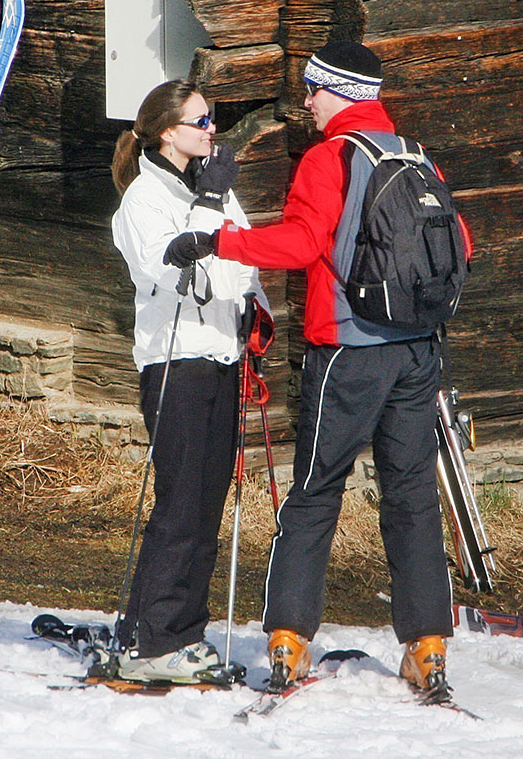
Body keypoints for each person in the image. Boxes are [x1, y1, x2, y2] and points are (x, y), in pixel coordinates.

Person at [164, 42, 472, 696]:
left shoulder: (329, 158)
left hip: (349, 351)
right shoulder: (416, 155)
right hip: (419, 351)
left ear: (342, 93)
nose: (305, 101)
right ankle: (428, 648)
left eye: (313, 89)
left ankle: (288, 642)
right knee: (412, 497)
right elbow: (462, 243)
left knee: (313, 494)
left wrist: (217, 240)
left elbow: (302, 243)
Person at [110, 79, 270, 683]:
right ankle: (155, 637)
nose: (212, 131)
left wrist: (256, 315)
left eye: (214, 120)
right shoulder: (142, 201)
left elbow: (242, 257)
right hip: (175, 362)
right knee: (181, 501)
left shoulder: (216, 190)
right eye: (201, 121)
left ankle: (176, 630)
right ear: (167, 130)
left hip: (223, 357)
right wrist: (207, 204)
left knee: (206, 500)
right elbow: (166, 270)